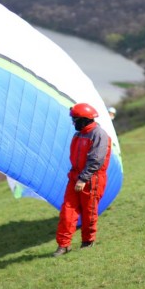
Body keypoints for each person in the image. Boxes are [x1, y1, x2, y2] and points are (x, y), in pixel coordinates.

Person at [53, 103, 112, 257]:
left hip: (92, 180)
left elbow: (96, 160)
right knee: (67, 210)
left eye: (75, 119)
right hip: (75, 177)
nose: (73, 122)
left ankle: (88, 241)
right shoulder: (78, 134)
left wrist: (83, 179)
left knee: (89, 212)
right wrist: (77, 177)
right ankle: (64, 245)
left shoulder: (99, 134)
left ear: (85, 119)